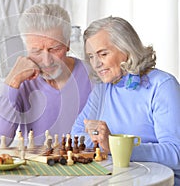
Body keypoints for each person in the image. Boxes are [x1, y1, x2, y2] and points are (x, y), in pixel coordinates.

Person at [70, 16, 180, 185]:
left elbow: (175, 153)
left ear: (127, 50)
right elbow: (76, 135)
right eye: (91, 56)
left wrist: (115, 146)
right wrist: (101, 143)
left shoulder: (162, 85)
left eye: (103, 54)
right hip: (115, 179)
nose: (96, 64)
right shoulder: (102, 89)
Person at [0, 4, 92, 148]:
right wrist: (12, 81)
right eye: (36, 51)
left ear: (68, 44)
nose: (47, 61)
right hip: (35, 169)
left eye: (54, 49)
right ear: (26, 49)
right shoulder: (22, 82)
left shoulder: (93, 76)